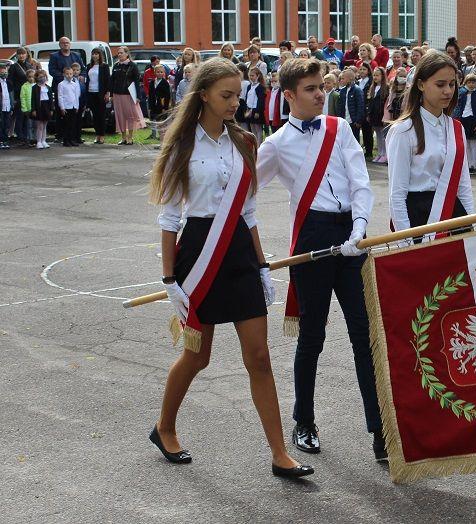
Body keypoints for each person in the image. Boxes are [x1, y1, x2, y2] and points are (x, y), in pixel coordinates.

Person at [148, 58, 311, 479]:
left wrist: (260, 265)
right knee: (197, 357)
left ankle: (280, 454)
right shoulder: (182, 145)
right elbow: (169, 220)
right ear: (203, 94)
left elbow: (250, 211)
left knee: (258, 357)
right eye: (226, 95)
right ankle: (164, 427)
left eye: (238, 94)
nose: (235, 102)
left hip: (238, 250)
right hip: (198, 254)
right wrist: (170, 281)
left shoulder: (244, 141)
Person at [255, 58, 384, 462]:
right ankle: (304, 421)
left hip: (350, 234)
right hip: (311, 236)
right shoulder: (275, 144)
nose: (319, 94)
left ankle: (381, 428)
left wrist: (359, 229)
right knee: (312, 335)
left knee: (364, 335)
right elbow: (242, 193)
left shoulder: (340, 127)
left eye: (321, 86)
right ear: (289, 95)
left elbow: (360, 181)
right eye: (310, 89)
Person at [387, 49, 474, 242]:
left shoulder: (456, 128)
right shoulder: (403, 131)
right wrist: (405, 242)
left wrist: (471, 224)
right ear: (421, 84)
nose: (448, 91)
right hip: (419, 217)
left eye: (452, 84)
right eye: (440, 84)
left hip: (454, 214)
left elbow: (464, 186)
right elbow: (397, 195)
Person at [48, 37, 84, 142]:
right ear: (59, 45)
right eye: (63, 43)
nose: (65, 44)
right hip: (61, 86)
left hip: (74, 87)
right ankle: (61, 136)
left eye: (67, 43)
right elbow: (52, 71)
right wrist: (66, 77)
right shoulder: (54, 56)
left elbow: (83, 69)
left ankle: (76, 136)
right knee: (61, 113)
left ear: (70, 44)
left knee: (75, 113)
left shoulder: (76, 55)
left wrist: (81, 75)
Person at [110, 46, 145, 145]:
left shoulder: (132, 65)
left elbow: (137, 81)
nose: (119, 54)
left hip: (129, 94)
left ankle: (130, 137)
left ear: (126, 54)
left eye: (121, 53)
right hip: (117, 94)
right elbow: (112, 80)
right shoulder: (116, 65)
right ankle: (123, 137)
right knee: (120, 116)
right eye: (118, 53)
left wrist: (138, 96)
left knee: (130, 116)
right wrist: (111, 93)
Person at [452, 73, 476, 173]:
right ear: (465, 83)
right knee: (465, 143)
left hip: (473, 119)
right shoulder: (461, 93)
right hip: (463, 119)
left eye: (473, 82)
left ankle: (473, 165)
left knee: (473, 143)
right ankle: (466, 164)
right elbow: (457, 107)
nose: (471, 84)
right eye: (469, 82)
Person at [86, 48, 111, 145]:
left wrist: (107, 93)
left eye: (96, 54)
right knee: (95, 115)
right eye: (93, 54)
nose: (95, 56)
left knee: (101, 115)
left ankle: (102, 135)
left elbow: (107, 80)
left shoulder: (104, 66)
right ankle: (97, 134)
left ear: (100, 55)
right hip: (91, 93)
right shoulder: (89, 66)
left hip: (100, 93)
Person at [9, 47, 33, 143]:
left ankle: (27, 136)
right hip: (18, 94)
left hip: (29, 94)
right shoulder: (14, 67)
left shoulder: (29, 65)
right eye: (19, 54)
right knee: (20, 116)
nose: (21, 55)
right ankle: (20, 136)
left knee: (28, 116)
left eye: (23, 53)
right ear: (17, 55)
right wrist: (13, 96)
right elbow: (10, 81)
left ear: (26, 54)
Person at [366, 66, 389, 163]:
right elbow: (370, 102)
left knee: (383, 136)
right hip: (374, 115)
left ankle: (385, 154)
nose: (375, 77)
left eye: (377, 75)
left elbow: (386, 102)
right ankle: (380, 153)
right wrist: (368, 114)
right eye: (374, 75)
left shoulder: (386, 88)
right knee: (378, 135)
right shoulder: (373, 87)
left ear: (382, 76)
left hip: (381, 115)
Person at [336, 68, 365, 143]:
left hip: (353, 121)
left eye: (343, 78)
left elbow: (360, 106)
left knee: (354, 139)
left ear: (350, 79)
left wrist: (358, 121)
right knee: (344, 139)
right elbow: (340, 106)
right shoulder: (342, 91)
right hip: (344, 120)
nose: (341, 80)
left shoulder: (357, 90)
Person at [57, 66, 81, 147]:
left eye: (71, 74)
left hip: (73, 106)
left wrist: (77, 106)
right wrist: (62, 107)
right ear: (64, 74)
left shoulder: (74, 84)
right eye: (67, 74)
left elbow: (76, 96)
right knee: (66, 124)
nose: (69, 75)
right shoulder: (61, 84)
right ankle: (66, 140)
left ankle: (72, 139)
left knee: (72, 124)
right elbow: (60, 96)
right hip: (66, 107)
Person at [31, 70, 53, 149]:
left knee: (45, 125)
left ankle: (44, 140)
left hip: (46, 107)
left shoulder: (48, 87)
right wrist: (33, 110)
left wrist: (51, 109)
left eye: (43, 77)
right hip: (39, 108)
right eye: (40, 77)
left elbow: (50, 99)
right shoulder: (34, 88)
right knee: (39, 126)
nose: (42, 78)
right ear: (36, 78)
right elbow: (33, 100)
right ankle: (39, 141)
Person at [18, 69, 35, 147]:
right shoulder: (24, 86)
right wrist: (24, 109)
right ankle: (29, 139)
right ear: (27, 77)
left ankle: (35, 139)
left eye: (33, 77)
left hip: (36, 109)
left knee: (36, 125)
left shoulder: (36, 86)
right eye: (29, 77)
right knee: (29, 125)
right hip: (28, 109)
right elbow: (23, 98)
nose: (31, 78)